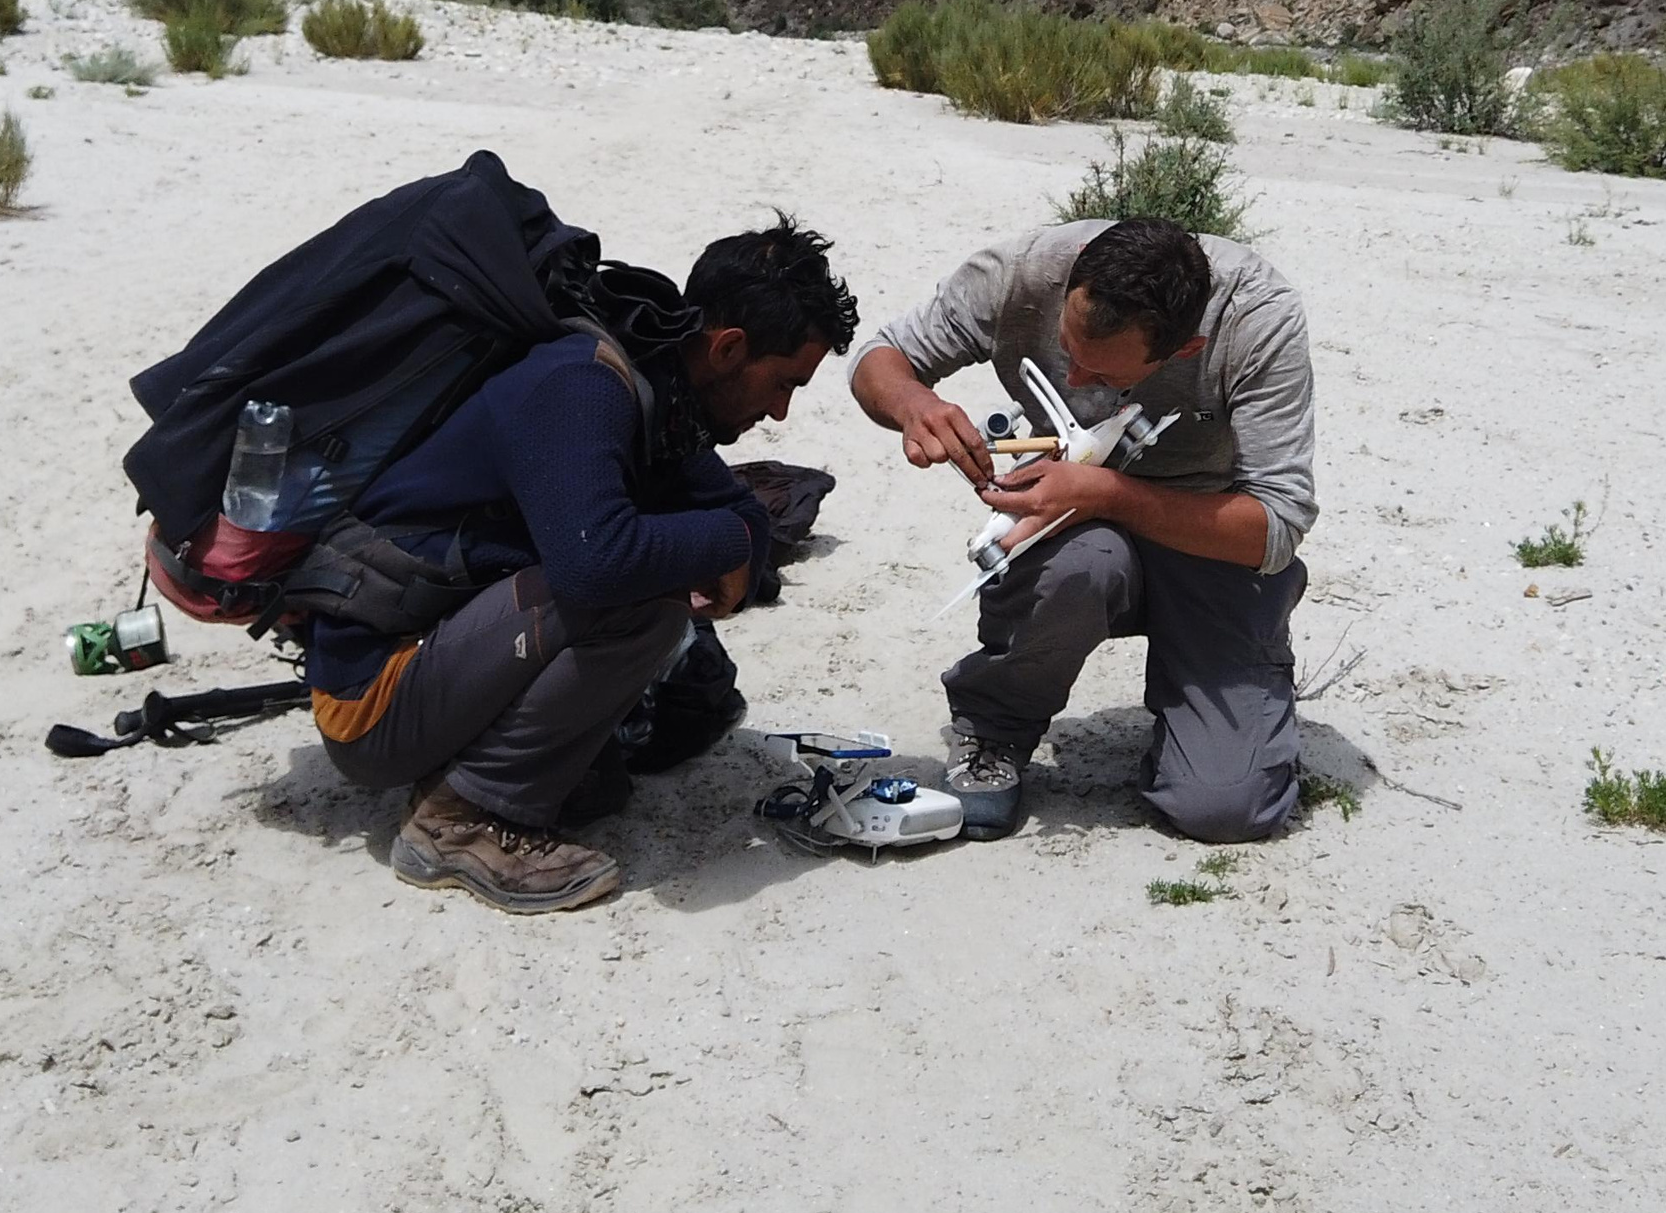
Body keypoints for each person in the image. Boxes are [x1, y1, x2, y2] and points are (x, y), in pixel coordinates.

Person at [312, 216, 859, 914]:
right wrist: (724, 545)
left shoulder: (659, 386)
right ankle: (458, 821)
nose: (779, 412)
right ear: (728, 347)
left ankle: (485, 778)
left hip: (443, 655)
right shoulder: (582, 386)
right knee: (641, 602)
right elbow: (599, 565)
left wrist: (733, 540)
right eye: (783, 383)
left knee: (612, 759)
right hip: (372, 701)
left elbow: (744, 514)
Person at [851, 216, 1315, 842]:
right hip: (1077, 531)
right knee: (1081, 566)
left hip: (1210, 535)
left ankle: (1207, 725)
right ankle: (995, 728)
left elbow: (1278, 523)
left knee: (1224, 808)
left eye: (1102, 377)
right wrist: (915, 405)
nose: (1072, 381)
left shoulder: (1256, 318)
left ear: (1185, 349)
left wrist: (1106, 494)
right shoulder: (1019, 272)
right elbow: (880, 358)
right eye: (1067, 350)